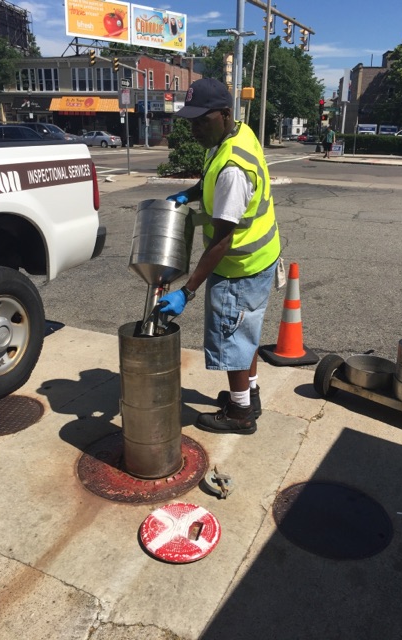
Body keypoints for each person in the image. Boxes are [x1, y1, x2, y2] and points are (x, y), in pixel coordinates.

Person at [159, 78, 282, 436]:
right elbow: (207, 180)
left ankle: (240, 412)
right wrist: (190, 193)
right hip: (260, 257)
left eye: (202, 120)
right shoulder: (235, 137)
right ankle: (250, 391)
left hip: (238, 266)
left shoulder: (232, 170)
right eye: (191, 121)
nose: (195, 128)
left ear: (225, 115)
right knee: (246, 329)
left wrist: (188, 291)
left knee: (232, 336)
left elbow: (222, 242)